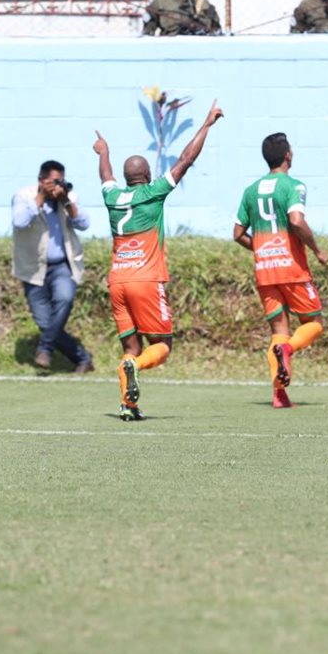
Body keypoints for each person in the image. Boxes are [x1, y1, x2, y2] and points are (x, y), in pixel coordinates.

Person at [92, 100, 223, 421]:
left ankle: (128, 404)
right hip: (146, 280)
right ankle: (135, 367)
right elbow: (186, 159)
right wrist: (206, 124)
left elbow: (106, 175)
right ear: (147, 174)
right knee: (162, 345)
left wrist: (103, 151)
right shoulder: (154, 192)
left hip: (117, 281)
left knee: (130, 347)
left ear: (126, 177)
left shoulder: (111, 197)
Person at [233, 133, 328, 408]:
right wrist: (316, 249)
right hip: (292, 269)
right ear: (288, 155)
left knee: (279, 330)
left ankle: (279, 395)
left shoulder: (250, 190)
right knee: (314, 324)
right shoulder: (293, 186)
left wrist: (262, 248)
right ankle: (288, 349)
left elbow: (238, 233)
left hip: (265, 270)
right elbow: (296, 221)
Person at [11, 160, 93, 373]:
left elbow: (84, 223)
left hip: (62, 266)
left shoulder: (67, 197)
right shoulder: (23, 196)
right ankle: (82, 359)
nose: (58, 185)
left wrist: (66, 202)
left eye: (61, 181)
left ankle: (45, 348)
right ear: (41, 180)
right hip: (33, 267)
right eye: (54, 181)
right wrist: (40, 197)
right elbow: (20, 221)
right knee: (44, 321)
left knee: (65, 298)